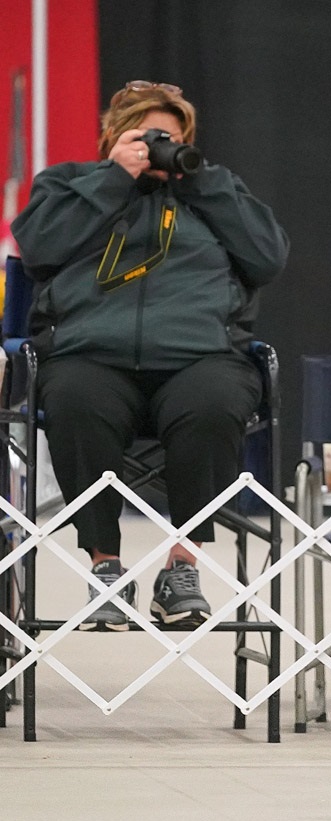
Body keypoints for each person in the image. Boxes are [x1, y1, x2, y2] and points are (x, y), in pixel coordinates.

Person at [12, 81, 289, 632]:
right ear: (113, 137)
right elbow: (37, 249)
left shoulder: (213, 190)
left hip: (199, 358)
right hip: (90, 356)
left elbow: (267, 257)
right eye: (147, 136)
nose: (161, 146)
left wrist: (201, 183)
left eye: (173, 136)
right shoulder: (70, 185)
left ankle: (182, 568)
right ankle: (105, 567)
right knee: (72, 398)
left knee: (214, 403)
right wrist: (113, 179)